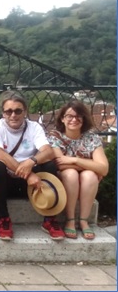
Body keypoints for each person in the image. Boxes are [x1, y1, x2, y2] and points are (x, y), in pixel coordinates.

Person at [0, 90, 65, 241]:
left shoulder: (34, 127)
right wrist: (28, 174)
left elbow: (48, 152)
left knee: (49, 165)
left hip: (31, 186)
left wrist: (31, 162)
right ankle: (4, 219)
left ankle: (49, 219)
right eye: (8, 111)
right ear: (3, 113)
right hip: (6, 182)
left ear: (25, 112)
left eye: (18, 111)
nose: (13, 115)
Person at [48, 100, 108, 240]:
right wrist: (91, 164)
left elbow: (104, 168)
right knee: (71, 173)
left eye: (78, 116)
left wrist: (75, 160)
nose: (74, 119)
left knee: (90, 176)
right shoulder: (55, 137)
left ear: (83, 118)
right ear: (62, 119)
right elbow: (60, 164)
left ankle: (83, 220)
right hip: (65, 178)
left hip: (86, 180)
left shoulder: (91, 138)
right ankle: (70, 219)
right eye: (69, 116)